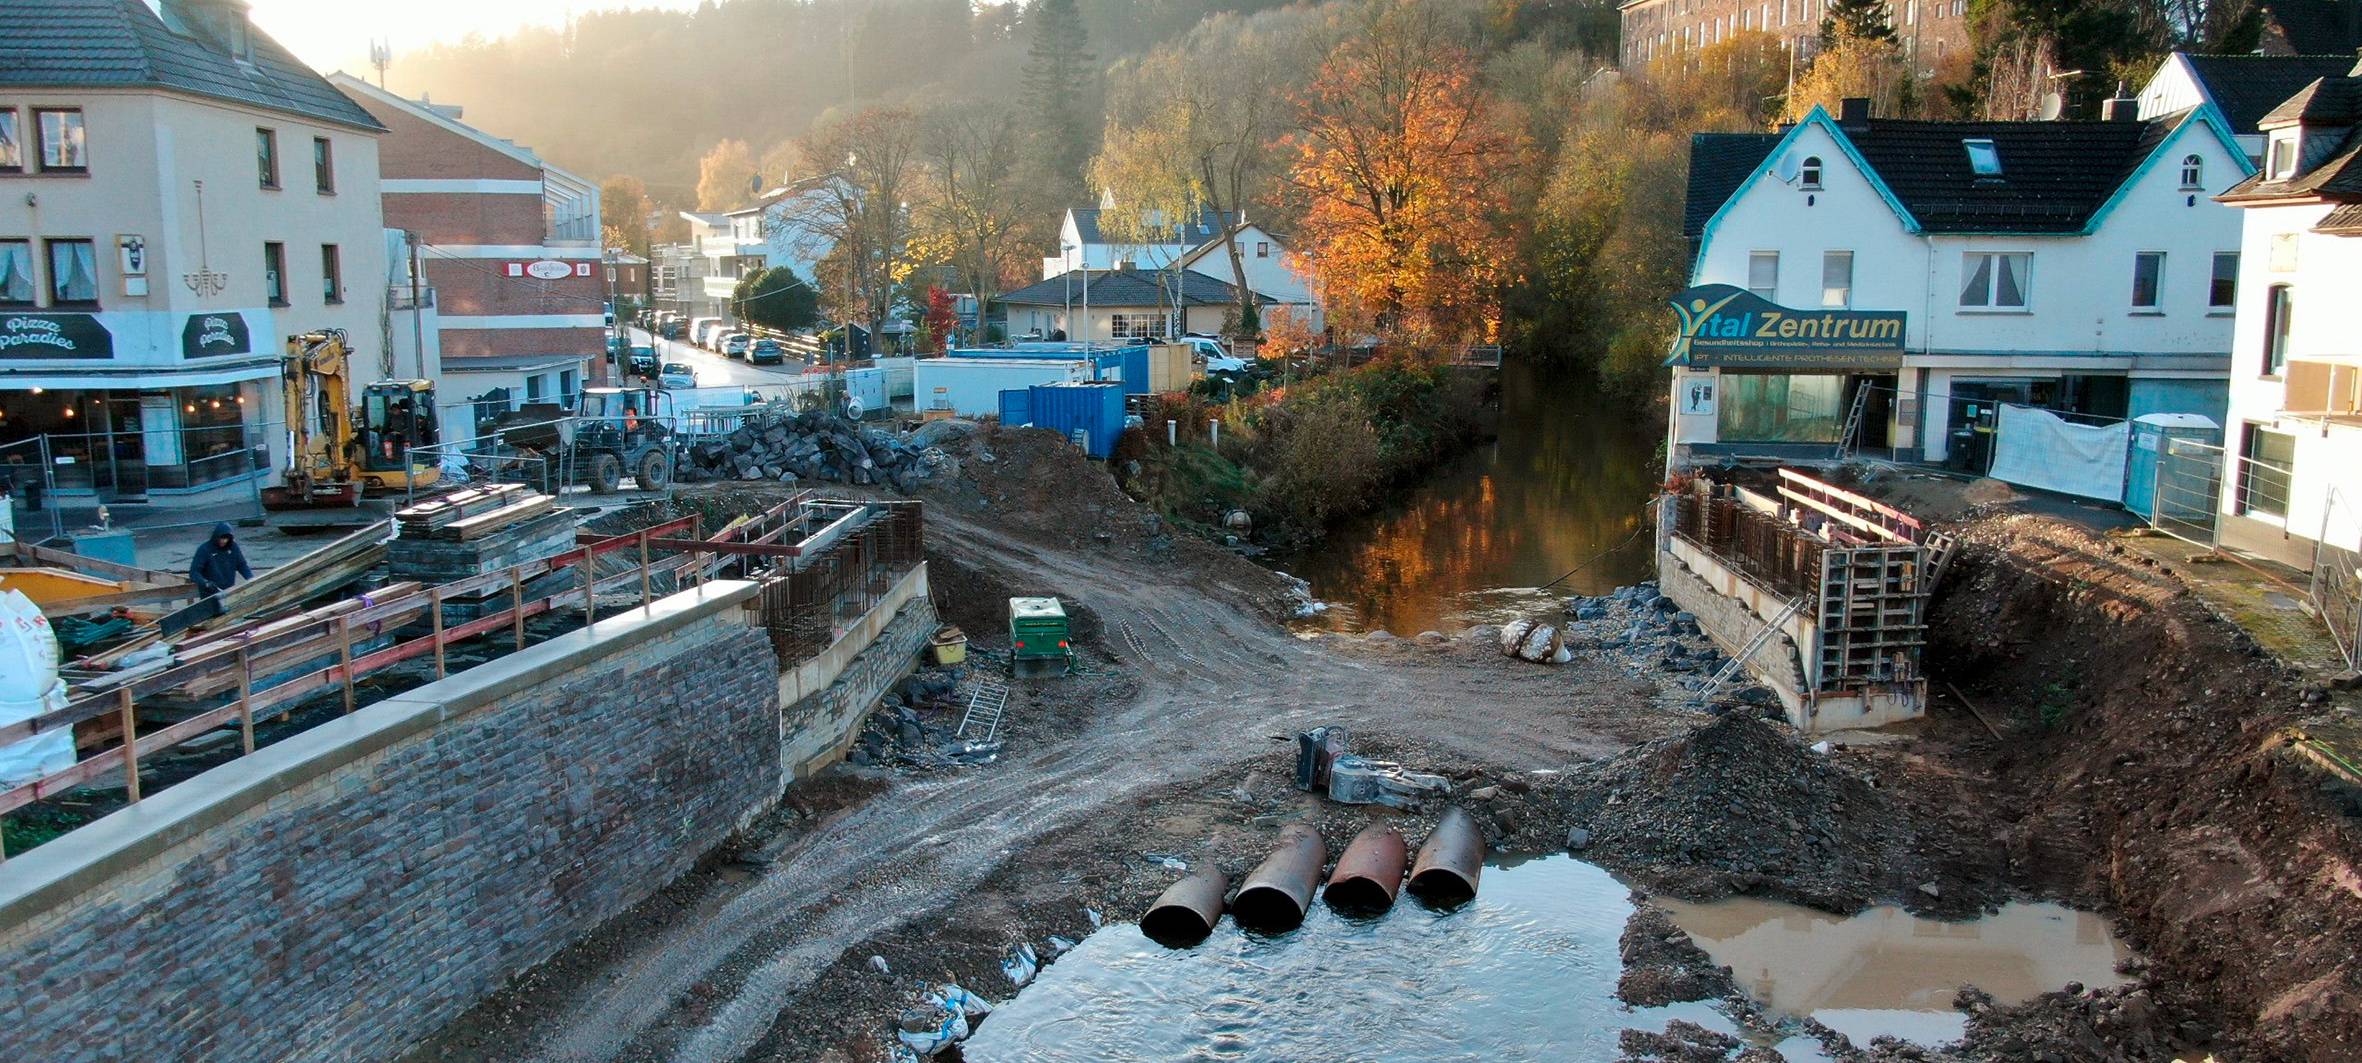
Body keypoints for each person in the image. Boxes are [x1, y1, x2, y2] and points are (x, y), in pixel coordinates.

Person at [189, 522, 253, 597]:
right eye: (221, 538)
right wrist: (205, 583)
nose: (224, 541)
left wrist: (251, 579)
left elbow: (242, 565)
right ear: (216, 536)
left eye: (226, 539)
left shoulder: (233, 547)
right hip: (210, 594)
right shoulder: (204, 549)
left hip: (228, 591)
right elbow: (194, 572)